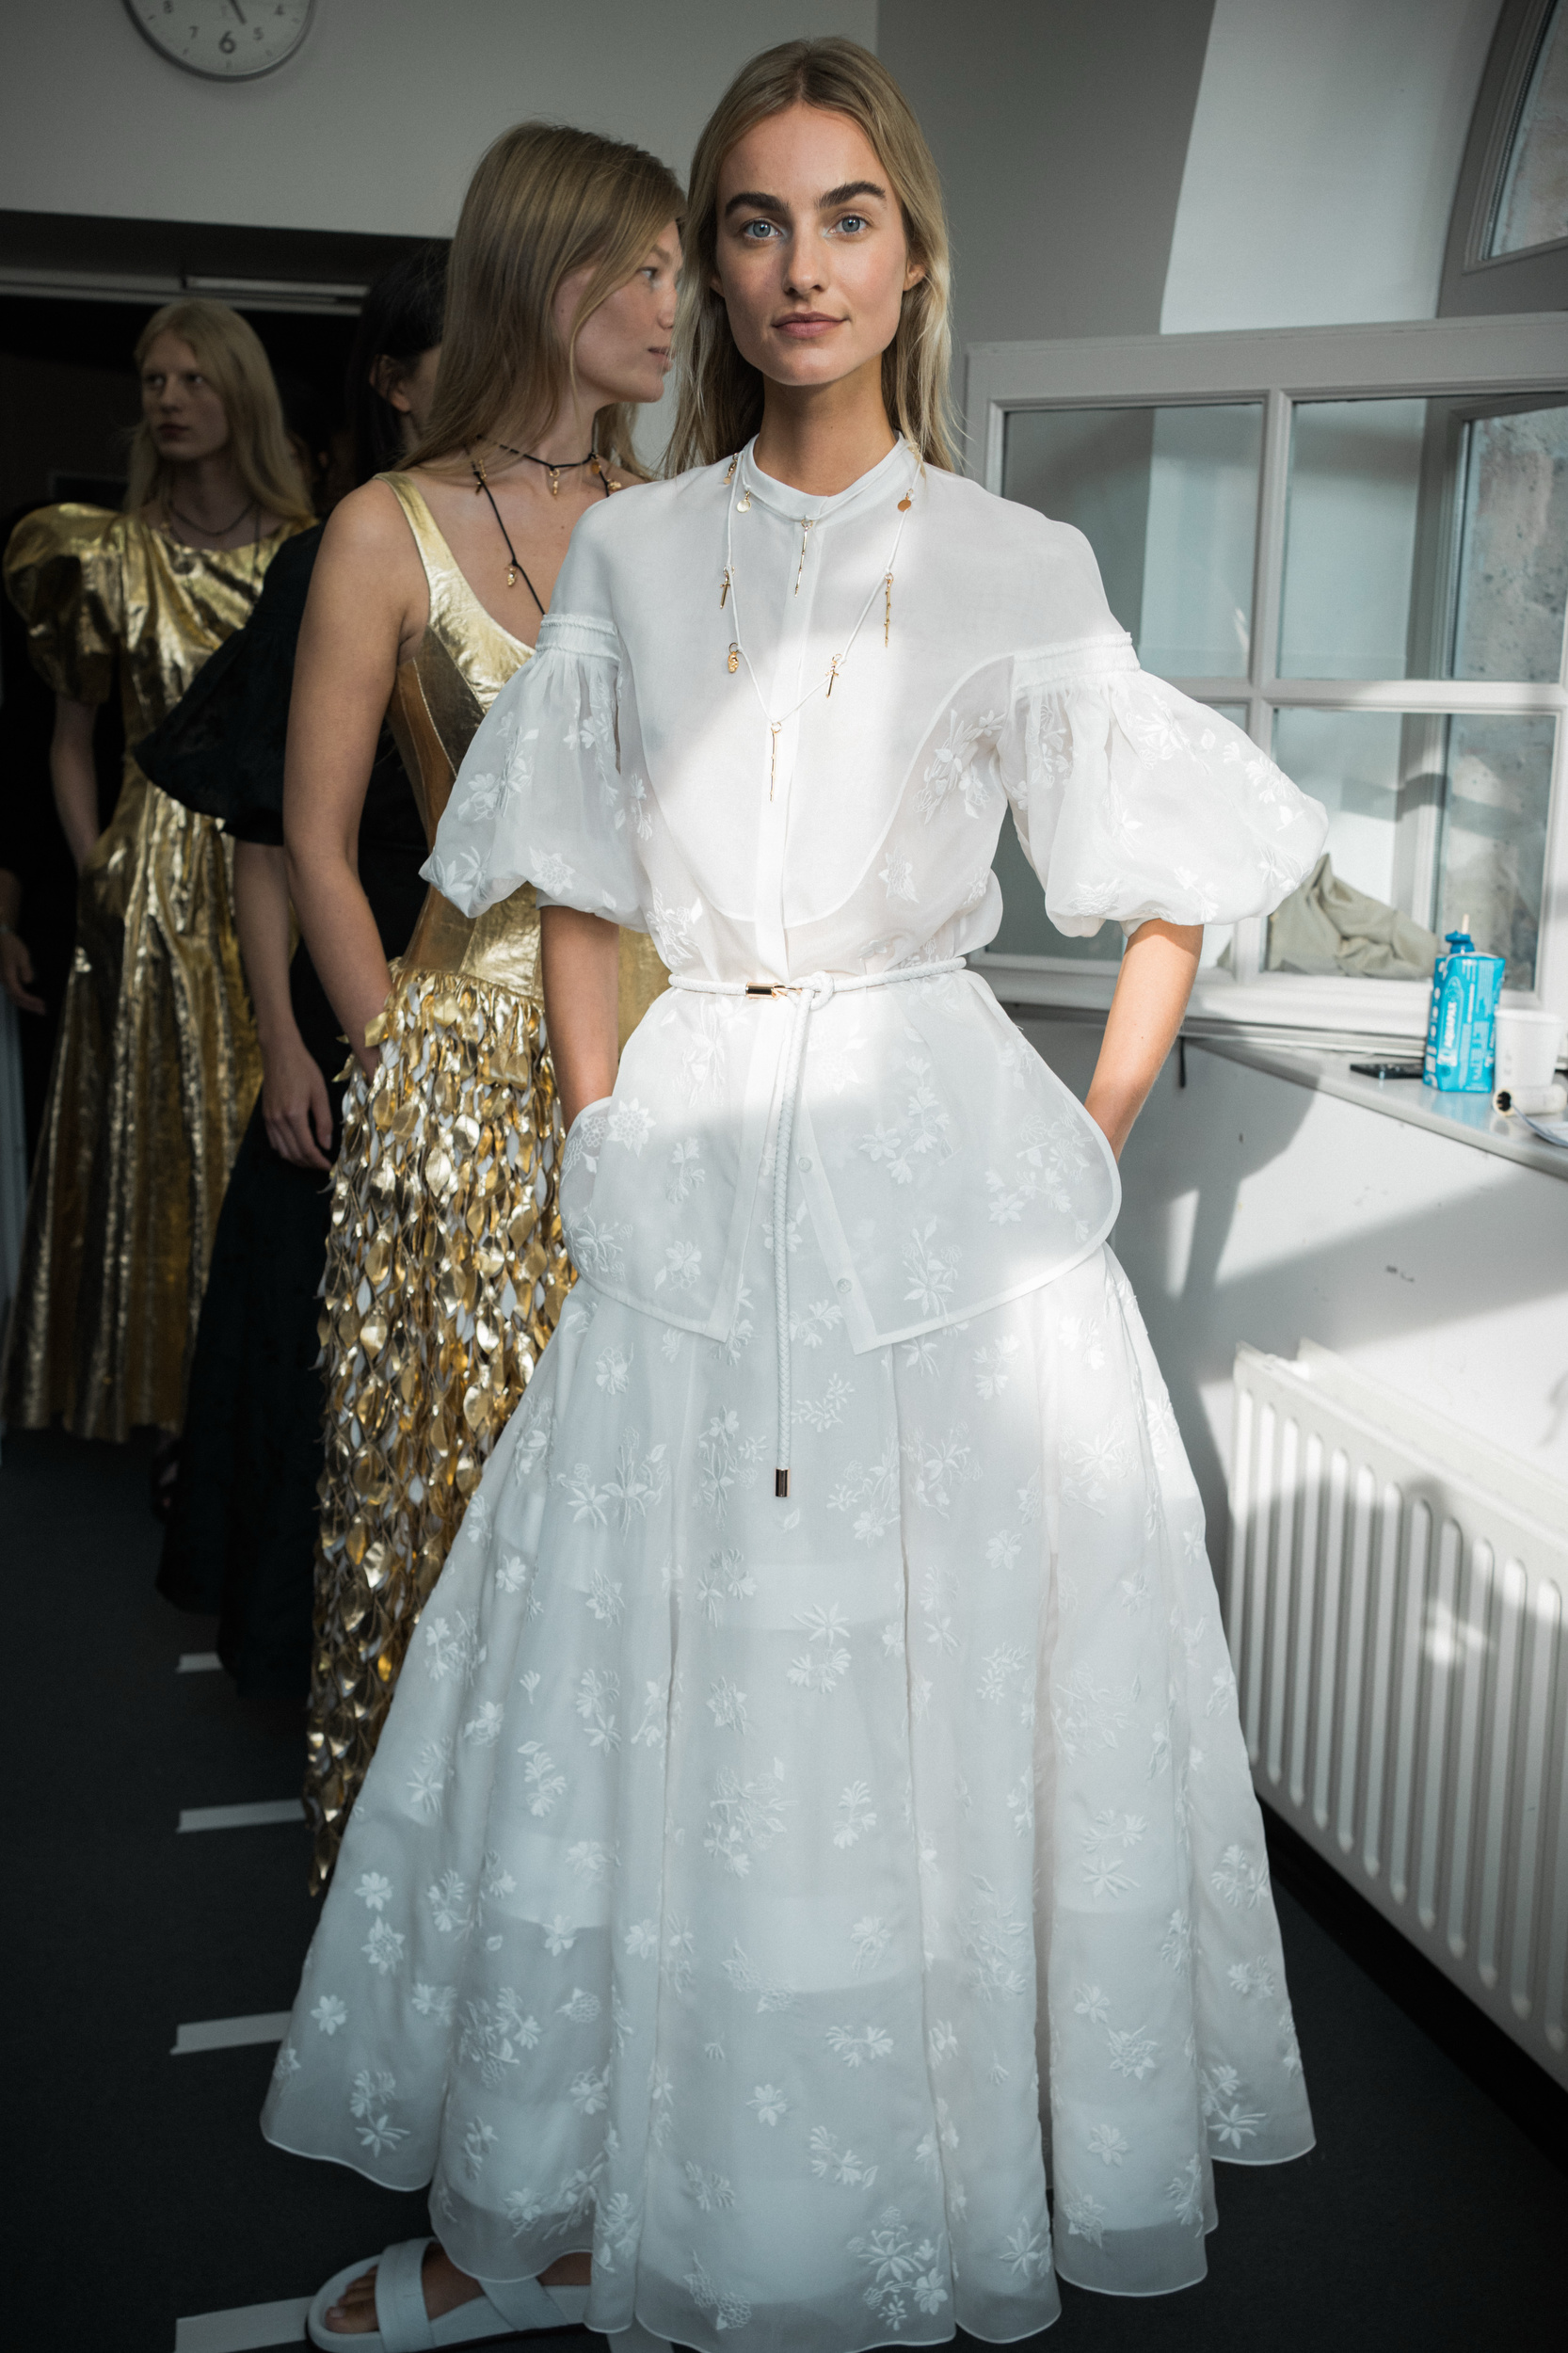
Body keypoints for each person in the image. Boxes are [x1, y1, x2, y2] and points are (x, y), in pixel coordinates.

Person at [264, 40, 1326, 2349]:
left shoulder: (1024, 561)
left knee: (907, 1688)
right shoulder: (638, 551)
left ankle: (876, 2202)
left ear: (909, 254)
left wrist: (1085, 1136)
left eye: (845, 216)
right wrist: (601, 1128)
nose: (794, 264)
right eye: (751, 221)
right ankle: (548, 2216)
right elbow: (572, 880)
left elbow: (1175, 872)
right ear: (717, 267)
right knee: (638, 1675)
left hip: (945, 1188)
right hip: (690, 1148)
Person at [285, 125, 680, 1891]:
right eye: (646, 271)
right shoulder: (382, 529)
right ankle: (436, 1913)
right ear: (547, 273)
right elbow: (314, 837)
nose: (678, 308)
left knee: (639, 1498)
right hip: (460, 1076)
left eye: (680, 273)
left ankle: (616, 1902)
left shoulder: (681, 520)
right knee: (457, 1492)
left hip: (669, 1069)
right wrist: (393, 1065)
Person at [141, 248, 446, 1699]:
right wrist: (281, 1039)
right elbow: (267, 839)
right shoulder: (332, 556)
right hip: (342, 989)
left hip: (497, 984)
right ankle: (314, 1652)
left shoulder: (565, 547)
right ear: (394, 383)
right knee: (315, 1334)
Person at [1, 300, 313, 1448]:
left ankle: (248, 1401)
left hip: (271, 869)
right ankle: (152, 1402)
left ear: (242, 395)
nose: (169, 400)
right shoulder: (105, 555)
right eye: (152, 380)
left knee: (260, 1124)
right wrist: (98, 873)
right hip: (141, 885)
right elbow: (67, 740)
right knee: (144, 1138)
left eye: (193, 379)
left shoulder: (307, 553)